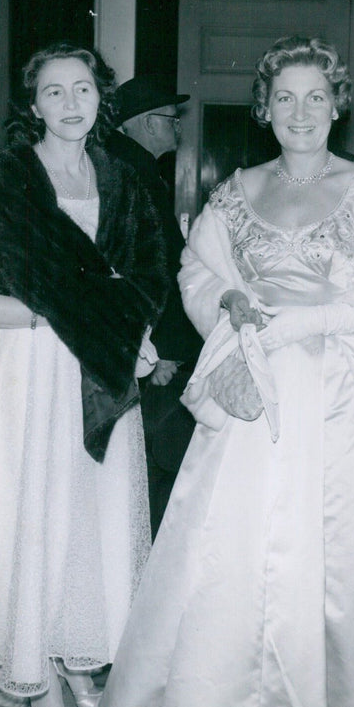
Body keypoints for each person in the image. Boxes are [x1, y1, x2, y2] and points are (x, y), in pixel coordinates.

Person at [90, 36, 354, 707]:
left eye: (315, 98)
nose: (301, 113)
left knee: (336, 564)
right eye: (284, 99)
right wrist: (225, 301)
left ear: (339, 103)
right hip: (252, 399)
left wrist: (304, 325)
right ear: (265, 109)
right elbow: (199, 272)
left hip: (337, 405)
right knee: (227, 558)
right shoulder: (234, 192)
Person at [0, 43, 169, 707]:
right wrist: (51, 311)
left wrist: (126, 325)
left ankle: (75, 656)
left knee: (91, 518)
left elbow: (150, 269)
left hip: (99, 370)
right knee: (38, 516)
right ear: (33, 106)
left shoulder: (120, 177)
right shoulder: (7, 180)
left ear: (99, 97)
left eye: (81, 89)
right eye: (53, 92)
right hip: (31, 374)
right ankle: (40, 679)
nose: (70, 103)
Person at [104, 75, 204, 534]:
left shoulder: (137, 167)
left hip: (152, 346)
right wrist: (154, 348)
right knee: (157, 463)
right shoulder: (133, 173)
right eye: (171, 119)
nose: (178, 128)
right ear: (144, 124)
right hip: (154, 352)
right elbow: (134, 268)